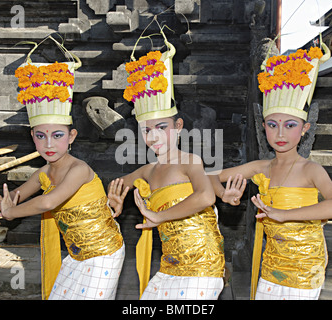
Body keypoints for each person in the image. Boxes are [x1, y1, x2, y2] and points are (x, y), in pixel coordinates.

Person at [209, 43, 332, 300]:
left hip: (305, 267)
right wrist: (222, 193)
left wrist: (286, 215)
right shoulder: (261, 167)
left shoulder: (311, 170)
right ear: (264, 127)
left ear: (305, 128)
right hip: (272, 265)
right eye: (273, 125)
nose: (281, 133)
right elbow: (208, 177)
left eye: (290, 125)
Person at [0, 42, 126, 300]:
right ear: (33, 137)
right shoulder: (43, 173)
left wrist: (10, 212)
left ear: (71, 136)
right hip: (76, 255)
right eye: (41, 136)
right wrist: (6, 200)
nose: (48, 144)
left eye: (57, 135)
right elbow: (20, 194)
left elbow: (48, 201)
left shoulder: (79, 170)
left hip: (104, 254)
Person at [110, 30, 225, 300]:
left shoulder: (189, 161)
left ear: (178, 126)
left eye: (161, 127)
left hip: (202, 267)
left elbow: (206, 196)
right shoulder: (147, 171)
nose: (153, 137)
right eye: (146, 130)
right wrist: (114, 201)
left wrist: (158, 216)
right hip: (168, 268)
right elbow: (116, 187)